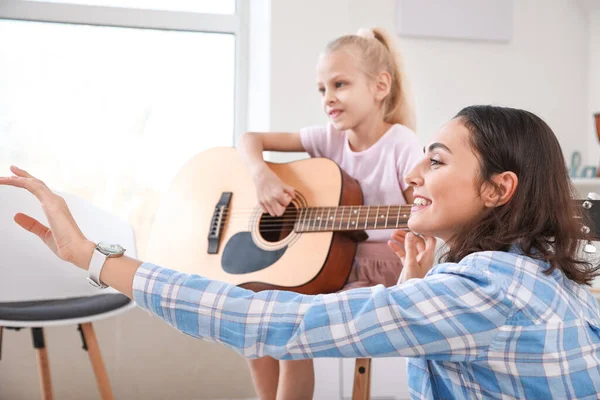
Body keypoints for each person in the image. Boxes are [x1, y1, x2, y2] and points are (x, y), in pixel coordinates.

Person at [3, 105, 600, 399]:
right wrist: (418, 285)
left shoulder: (482, 290)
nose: (413, 173)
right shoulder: (541, 277)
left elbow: (266, 319)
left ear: (499, 189)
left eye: (437, 160)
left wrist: (91, 255)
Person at [238, 26, 423, 399]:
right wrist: (262, 176)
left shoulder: (401, 143)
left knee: (293, 326)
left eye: (340, 84)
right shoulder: (327, 137)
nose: (328, 98)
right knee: (251, 316)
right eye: (322, 89)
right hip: (329, 260)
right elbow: (250, 140)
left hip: (382, 267)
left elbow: (424, 215)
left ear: (380, 86)